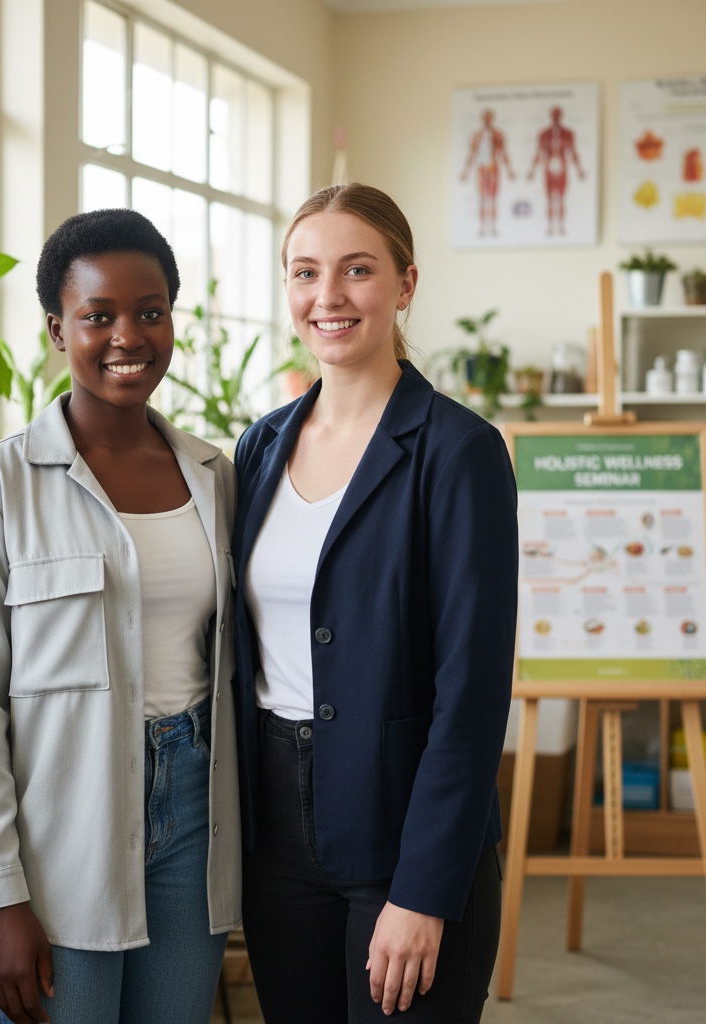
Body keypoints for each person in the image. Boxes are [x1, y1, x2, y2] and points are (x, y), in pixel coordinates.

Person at [0, 208, 240, 1024]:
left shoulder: (217, 477)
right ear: (55, 328)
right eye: (96, 316)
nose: (126, 337)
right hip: (60, 836)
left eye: (149, 311)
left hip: (193, 822)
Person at [232, 183, 518, 1023]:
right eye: (305, 272)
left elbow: (471, 695)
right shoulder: (260, 445)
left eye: (357, 270)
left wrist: (424, 891)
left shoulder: (458, 451)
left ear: (405, 284)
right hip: (276, 832)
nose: (328, 297)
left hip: (406, 828)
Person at [527, 106, 585, 236]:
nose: (556, 117)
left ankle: (561, 225)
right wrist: (532, 170)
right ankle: (550, 226)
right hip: (549, 165)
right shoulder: (544, 133)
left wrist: (579, 169)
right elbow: (539, 152)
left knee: (561, 198)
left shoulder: (568, 133)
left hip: (562, 165)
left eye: (558, 114)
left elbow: (573, 151)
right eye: (554, 114)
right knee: (549, 198)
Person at [460, 109, 514, 237]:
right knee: (483, 199)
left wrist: (509, 170)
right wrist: (466, 171)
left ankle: (493, 227)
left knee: (493, 199)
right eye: (486, 117)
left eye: (489, 117)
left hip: (494, 168)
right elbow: (472, 154)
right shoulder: (477, 135)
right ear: (483, 118)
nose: (487, 120)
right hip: (482, 169)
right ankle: (483, 228)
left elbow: (503, 153)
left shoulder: (498, 135)